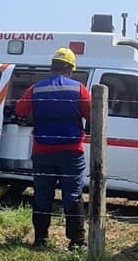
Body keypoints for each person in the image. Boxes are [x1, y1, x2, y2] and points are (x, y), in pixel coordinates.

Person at [15, 47, 91, 249]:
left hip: (43, 151)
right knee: (73, 194)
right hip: (71, 151)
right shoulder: (79, 89)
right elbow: (91, 114)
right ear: (70, 68)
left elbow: (20, 110)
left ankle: (41, 239)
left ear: (52, 67)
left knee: (42, 194)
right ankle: (77, 241)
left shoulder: (36, 88)